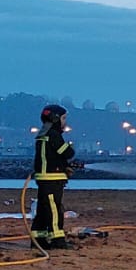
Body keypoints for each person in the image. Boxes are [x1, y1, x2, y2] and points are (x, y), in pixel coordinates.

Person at [31, 104, 78, 250]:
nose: (65, 122)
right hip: (51, 179)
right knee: (54, 210)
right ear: (55, 119)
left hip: (45, 178)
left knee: (42, 211)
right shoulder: (53, 135)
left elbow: (50, 157)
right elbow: (68, 153)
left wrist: (64, 167)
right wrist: (70, 148)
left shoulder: (42, 134)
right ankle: (57, 240)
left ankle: (39, 239)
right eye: (63, 118)